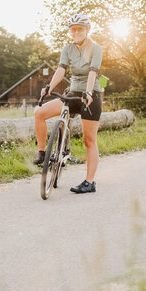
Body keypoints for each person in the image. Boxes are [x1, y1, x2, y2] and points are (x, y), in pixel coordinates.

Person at [33, 13, 103, 194]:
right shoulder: (67, 49)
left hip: (90, 96)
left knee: (89, 140)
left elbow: (92, 72)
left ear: (87, 30)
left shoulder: (96, 49)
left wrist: (88, 92)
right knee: (39, 113)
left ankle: (89, 182)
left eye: (80, 29)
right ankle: (42, 153)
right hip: (72, 94)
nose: (76, 32)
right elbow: (61, 70)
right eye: (73, 30)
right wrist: (49, 87)